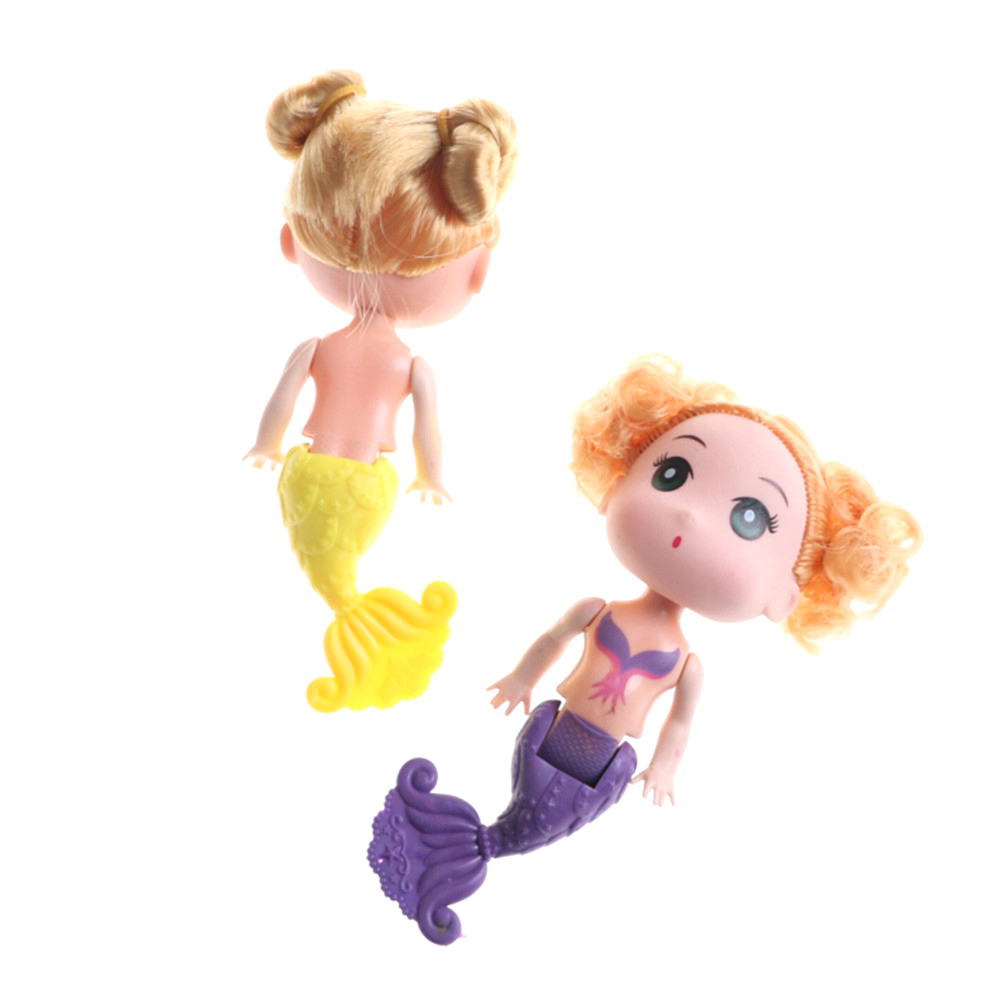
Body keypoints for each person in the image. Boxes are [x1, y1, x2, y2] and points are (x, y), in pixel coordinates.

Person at [367, 354, 921, 944]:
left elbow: (679, 725)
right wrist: (521, 680)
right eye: (672, 474)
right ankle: (450, 844)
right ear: (617, 481)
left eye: (750, 518)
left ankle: (457, 852)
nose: (688, 513)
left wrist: (663, 766)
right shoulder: (595, 610)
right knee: (515, 816)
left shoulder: (687, 666)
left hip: (601, 769)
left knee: (520, 827)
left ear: (785, 595)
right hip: (547, 734)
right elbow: (553, 641)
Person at [244, 70, 517, 713]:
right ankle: (372, 632)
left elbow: (283, 404)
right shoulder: (410, 364)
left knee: (333, 572)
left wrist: (267, 446)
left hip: (306, 474)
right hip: (368, 482)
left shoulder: (317, 348)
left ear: (290, 242)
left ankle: (365, 631)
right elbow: (427, 429)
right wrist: (431, 475)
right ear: (478, 271)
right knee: (338, 573)